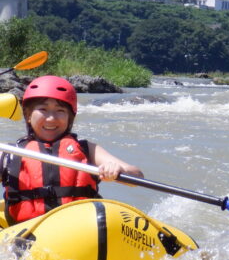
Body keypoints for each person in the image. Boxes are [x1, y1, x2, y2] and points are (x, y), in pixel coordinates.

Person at [1, 76, 144, 226]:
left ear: (70, 118)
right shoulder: (9, 153)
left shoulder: (87, 149)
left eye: (60, 110)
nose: (51, 118)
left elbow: (137, 176)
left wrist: (118, 169)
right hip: (26, 235)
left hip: (79, 233)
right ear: (28, 115)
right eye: (43, 109)